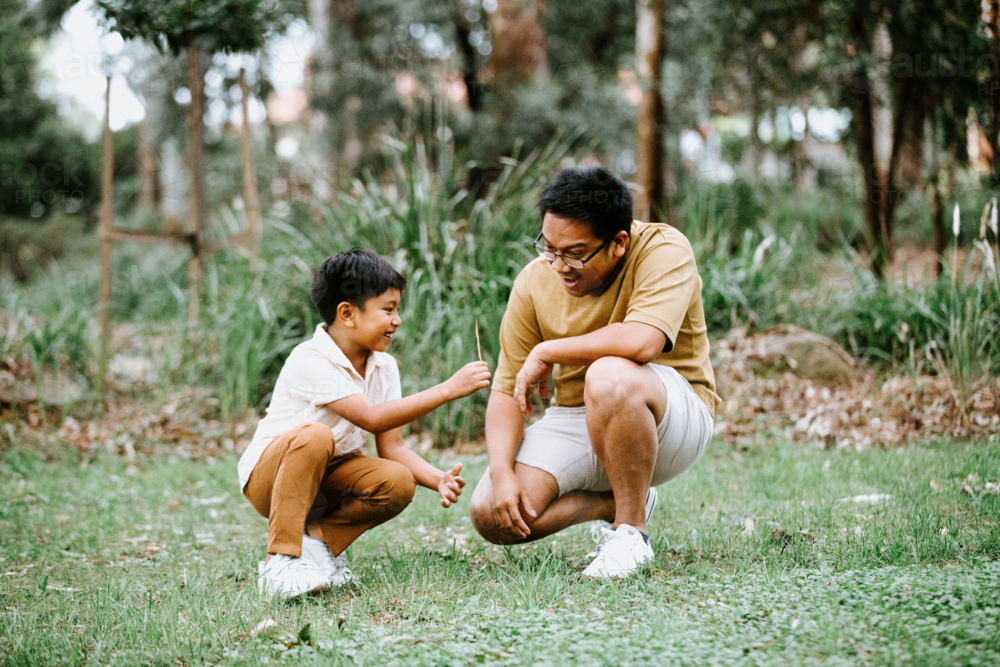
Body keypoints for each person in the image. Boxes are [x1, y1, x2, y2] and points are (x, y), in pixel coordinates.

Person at [469, 167, 719, 578]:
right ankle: (619, 502)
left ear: (618, 242)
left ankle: (630, 532)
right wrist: (500, 472)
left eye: (575, 253)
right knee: (492, 512)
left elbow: (643, 342)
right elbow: (505, 394)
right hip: (577, 416)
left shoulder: (663, 248)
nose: (559, 265)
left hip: (669, 412)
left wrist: (549, 350)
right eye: (549, 248)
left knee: (608, 376)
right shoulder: (534, 282)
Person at [239, 249, 491, 598]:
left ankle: (316, 546)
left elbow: (393, 447)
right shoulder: (310, 359)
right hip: (272, 479)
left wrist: (437, 478)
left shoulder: (383, 367)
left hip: (327, 480)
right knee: (315, 435)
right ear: (347, 313)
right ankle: (280, 560)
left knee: (398, 482)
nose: (397, 320)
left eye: (397, 309)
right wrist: (448, 389)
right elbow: (371, 418)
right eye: (388, 309)